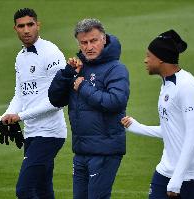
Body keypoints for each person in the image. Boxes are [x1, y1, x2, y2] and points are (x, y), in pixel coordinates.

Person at [121, 29, 194, 199]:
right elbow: (172, 129)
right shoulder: (166, 85)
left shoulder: (187, 86)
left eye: (149, 56)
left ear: (161, 59)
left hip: (192, 176)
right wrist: (138, 127)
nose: (145, 60)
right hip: (166, 170)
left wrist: (177, 179)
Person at [48, 18, 130, 199]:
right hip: (81, 151)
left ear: (104, 40)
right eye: (83, 43)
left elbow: (115, 102)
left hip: (105, 151)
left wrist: (83, 87)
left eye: (93, 41)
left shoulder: (116, 69)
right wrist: (67, 74)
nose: (89, 47)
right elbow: (55, 99)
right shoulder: (79, 68)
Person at [0, 8, 67, 199]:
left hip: (50, 134)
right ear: (15, 29)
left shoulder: (52, 53)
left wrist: (20, 116)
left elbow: (58, 101)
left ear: (38, 25)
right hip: (32, 133)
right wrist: (4, 118)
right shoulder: (20, 57)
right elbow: (20, 94)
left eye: (30, 24)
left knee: (25, 190)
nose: (26, 30)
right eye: (21, 26)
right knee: (43, 191)